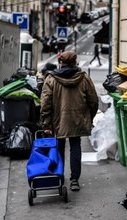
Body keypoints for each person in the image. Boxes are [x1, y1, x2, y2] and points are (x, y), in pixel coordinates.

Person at [40, 51, 99, 191]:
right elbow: (93, 100)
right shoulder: (84, 78)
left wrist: (46, 123)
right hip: (77, 119)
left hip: (58, 120)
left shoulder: (51, 79)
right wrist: (90, 116)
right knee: (75, 146)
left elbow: (45, 103)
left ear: (61, 63)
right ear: (75, 62)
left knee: (59, 146)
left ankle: (59, 176)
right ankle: (74, 180)